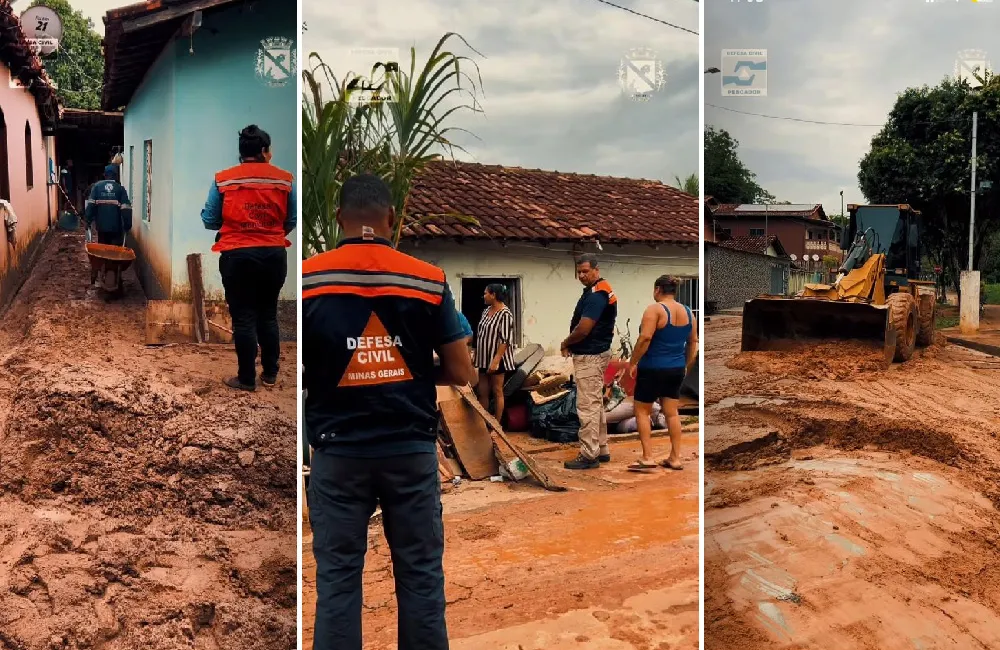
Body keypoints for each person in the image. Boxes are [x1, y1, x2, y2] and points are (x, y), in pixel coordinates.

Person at [304, 173, 477, 650]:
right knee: (421, 577)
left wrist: (345, 370)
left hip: (337, 457)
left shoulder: (307, 279)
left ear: (339, 218)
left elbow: (299, 371)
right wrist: (410, 372)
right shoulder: (428, 279)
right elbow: (462, 372)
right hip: (411, 455)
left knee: (338, 582)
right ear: (392, 220)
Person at [201, 125, 295, 392]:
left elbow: (210, 220)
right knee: (268, 314)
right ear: (265, 152)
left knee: (243, 317)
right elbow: (291, 219)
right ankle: (271, 374)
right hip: (273, 255)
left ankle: (246, 379)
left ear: (241, 152)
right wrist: (269, 233)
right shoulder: (285, 180)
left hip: (237, 256)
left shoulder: (224, 179)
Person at [626, 275, 698, 471]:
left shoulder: (654, 310)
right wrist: (686, 365)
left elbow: (645, 338)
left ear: (657, 289)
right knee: (672, 413)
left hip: (652, 368)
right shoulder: (688, 312)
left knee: (642, 411)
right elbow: (693, 342)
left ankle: (647, 457)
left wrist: (633, 362)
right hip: (675, 369)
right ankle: (675, 458)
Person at [560, 254, 617, 470]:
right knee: (595, 403)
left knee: (587, 406)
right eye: (579, 272)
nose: (582, 275)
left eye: (585, 271)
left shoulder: (596, 295)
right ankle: (601, 448)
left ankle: (588, 454)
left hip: (590, 355)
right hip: (597, 352)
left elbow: (584, 328)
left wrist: (566, 342)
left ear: (596, 269)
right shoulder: (599, 291)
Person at [474, 283, 516, 422]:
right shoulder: (486, 311)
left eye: (486, 293)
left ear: (493, 295)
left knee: (497, 391)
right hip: (483, 358)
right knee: (482, 392)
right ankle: (483, 423)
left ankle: (497, 424)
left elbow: (505, 340)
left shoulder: (505, 314)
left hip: (497, 359)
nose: (484, 296)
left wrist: (496, 360)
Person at [84, 164, 132, 246]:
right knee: (115, 249)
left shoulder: (97, 187)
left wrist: (87, 221)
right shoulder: (120, 189)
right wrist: (127, 225)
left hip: (101, 226)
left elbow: (90, 206)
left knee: (103, 248)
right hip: (116, 227)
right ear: (116, 176)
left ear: (105, 175)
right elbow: (126, 209)